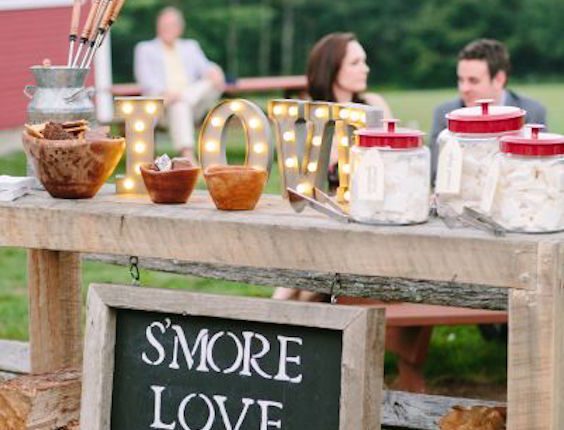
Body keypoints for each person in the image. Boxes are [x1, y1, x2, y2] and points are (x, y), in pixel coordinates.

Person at [272, 32, 391, 302]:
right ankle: (275, 323)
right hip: (320, 218)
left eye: (364, 61)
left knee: (305, 289)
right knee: (301, 275)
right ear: (332, 67)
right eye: (356, 62)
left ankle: (277, 324)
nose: (366, 68)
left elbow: (391, 162)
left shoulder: (374, 106)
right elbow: (302, 185)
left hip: (365, 217)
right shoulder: (310, 117)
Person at [430, 38, 547, 180]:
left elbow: (539, 174)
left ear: (499, 80)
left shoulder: (531, 112)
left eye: (473, 81)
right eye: (460, 80)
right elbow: (438, 174)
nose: (464, 88)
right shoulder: (445, 114)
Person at [134, 7, 225, 162]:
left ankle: (184, 97)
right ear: (157, 26)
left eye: (170, 25)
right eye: (163, 25)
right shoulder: (145, 49)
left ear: (179, 28)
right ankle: (188, 155)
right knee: (179, 106)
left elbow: (206, 67)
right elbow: (146, 81)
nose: (166, 29)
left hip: (194, 104)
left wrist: (214, 71)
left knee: (211, 80)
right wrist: (165, 93)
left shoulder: (190, 46)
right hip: (164, 106)